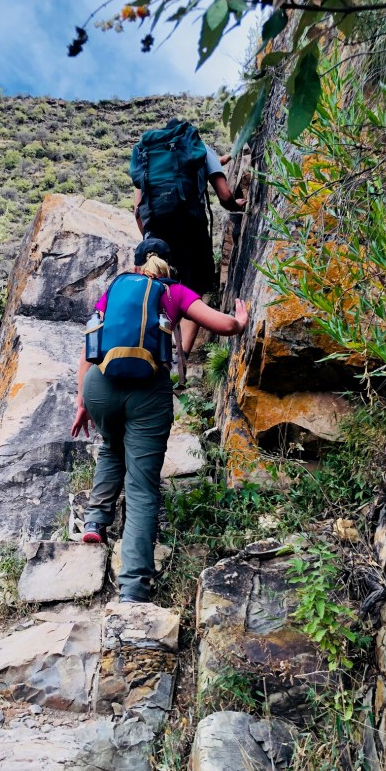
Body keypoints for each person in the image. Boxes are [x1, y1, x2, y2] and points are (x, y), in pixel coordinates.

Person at [70, 237, 248, 604]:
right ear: (168, 265)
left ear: (137, 266)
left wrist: (82, 402)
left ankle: (94, 522)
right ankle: (133, 589)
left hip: (100, 385)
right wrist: (241, 321)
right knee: (141, 487)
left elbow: (90, 344)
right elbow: (223, 325)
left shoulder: (118, 289)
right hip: (147, 393)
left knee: (111, 445)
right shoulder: (176, 292)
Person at [131, 118, 246, 356]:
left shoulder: (147, 158)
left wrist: (151, 241)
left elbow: (137, 211)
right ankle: (179, 359)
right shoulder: (200, 149)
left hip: (155, 233)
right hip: (189, 227)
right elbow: (224, 197)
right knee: (193, 289)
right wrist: (237, 203)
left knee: (156, 290)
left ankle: (148, 351)